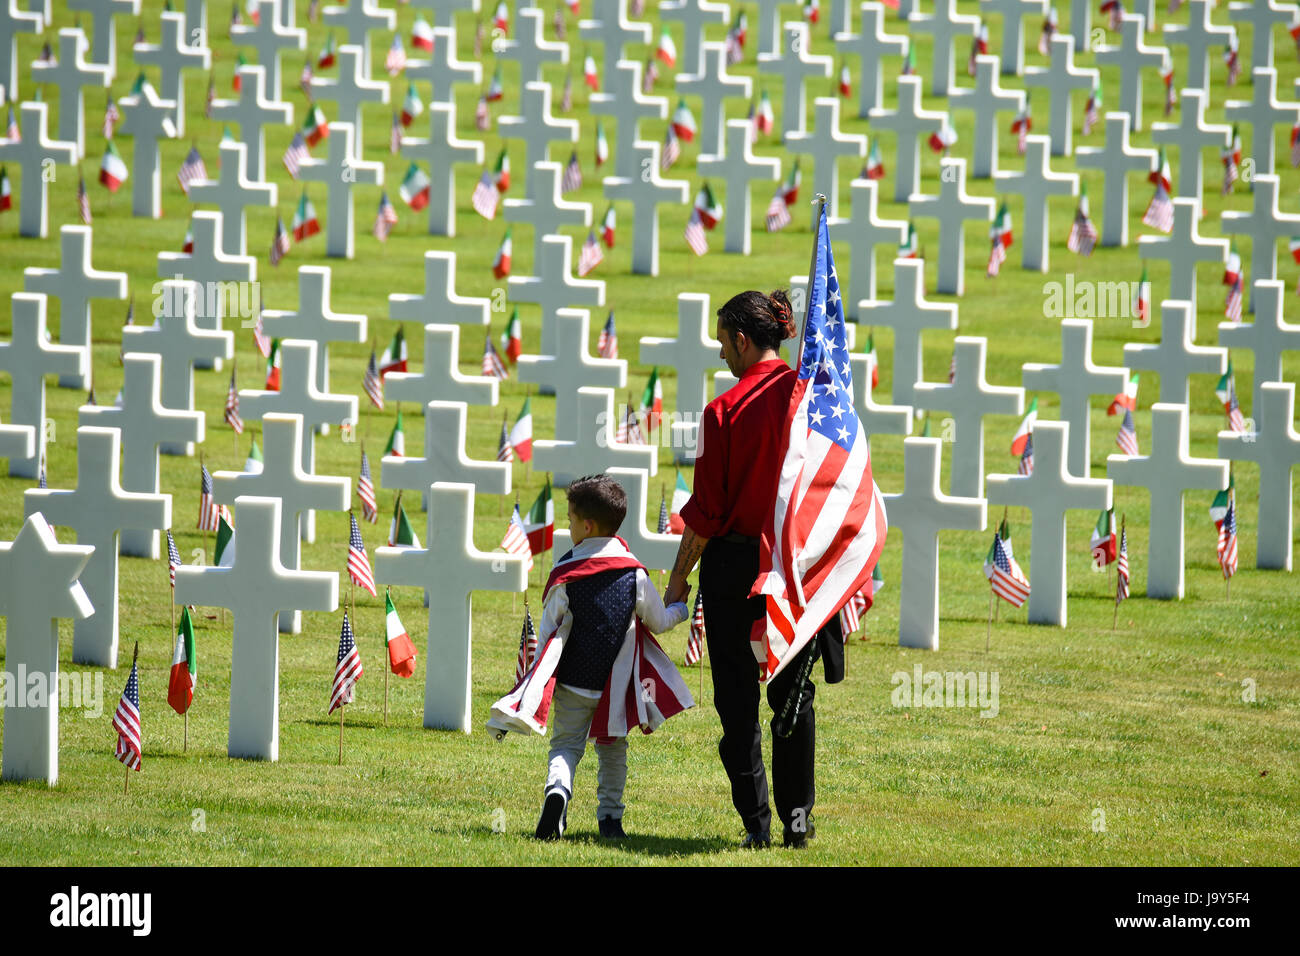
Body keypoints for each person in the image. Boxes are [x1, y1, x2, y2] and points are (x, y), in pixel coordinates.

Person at [664, 288, 841, 850]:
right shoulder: (814, 396)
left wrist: (676, 576)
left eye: (722, 342)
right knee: (794, 694)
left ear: (742, 340)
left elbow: (708, 513)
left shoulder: (724, 412)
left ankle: (758, 827)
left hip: (738, 567)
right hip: (799, 563)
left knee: (736, 702)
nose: (721, 354)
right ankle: (798, 823)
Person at [488, 474, 693, 841]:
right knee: (613, 751)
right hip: (615, 687)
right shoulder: (635, 574)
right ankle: (611, 820)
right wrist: (679, 608)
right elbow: (659, 623)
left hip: (573, 684)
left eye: (569, 520)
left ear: (586, 525)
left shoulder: (565, 574)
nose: (567, 527)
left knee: (566, 746)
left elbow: (550, 631)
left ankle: (556, 796)